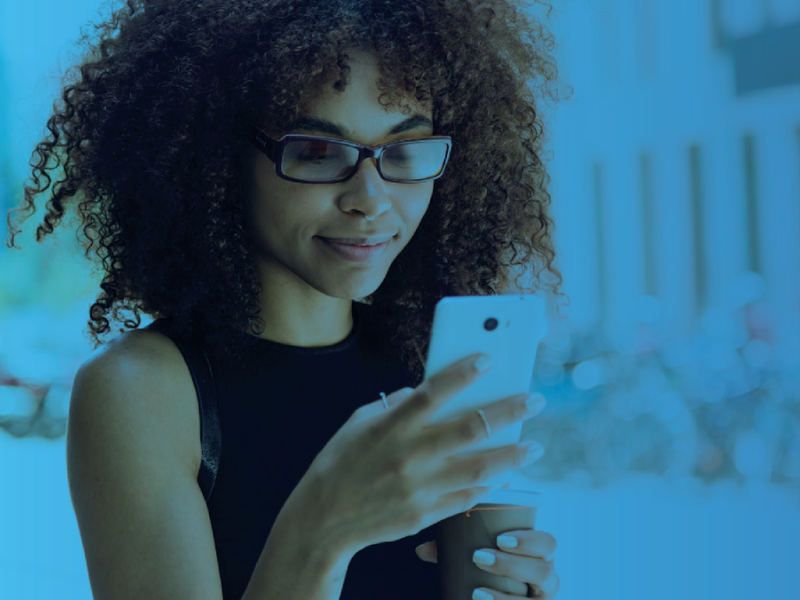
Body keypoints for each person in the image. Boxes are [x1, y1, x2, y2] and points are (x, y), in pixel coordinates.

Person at [6, 1, 567, 599]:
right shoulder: (142, 390)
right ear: (217, 158)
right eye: (319, 153)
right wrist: (323, 530)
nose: (371, 200)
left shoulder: (431, 366)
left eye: (405, 151)